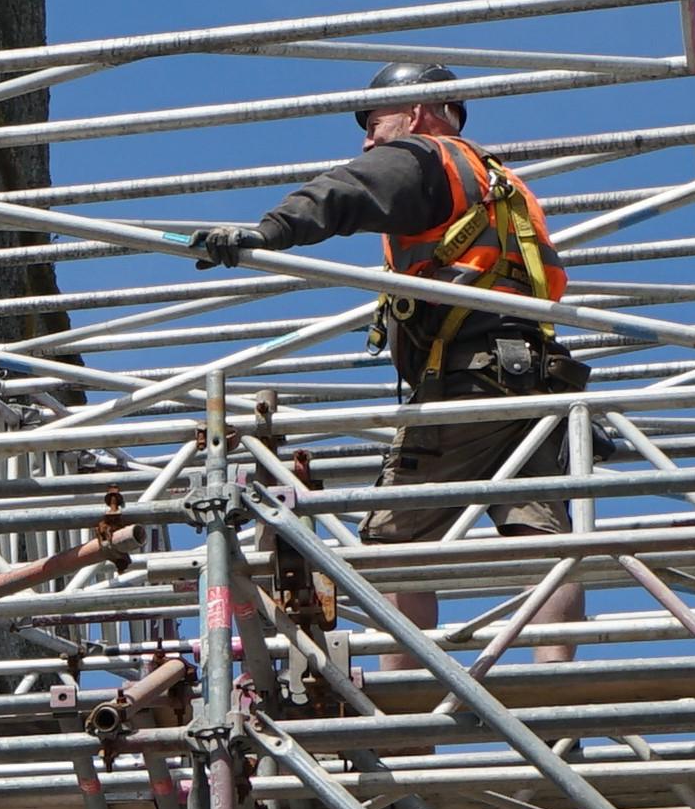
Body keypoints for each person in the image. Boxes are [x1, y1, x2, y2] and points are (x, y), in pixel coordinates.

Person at [191, 64, 584, 648]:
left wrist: (268, 232)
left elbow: (351, 189)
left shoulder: (429, 157)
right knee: (542, 536)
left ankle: (412, 721)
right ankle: (560, 688)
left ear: (417, 112)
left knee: (393, 546)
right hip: (529, 375)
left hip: (469, 376)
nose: (369, 140)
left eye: (376, 123)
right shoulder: (499, 182)